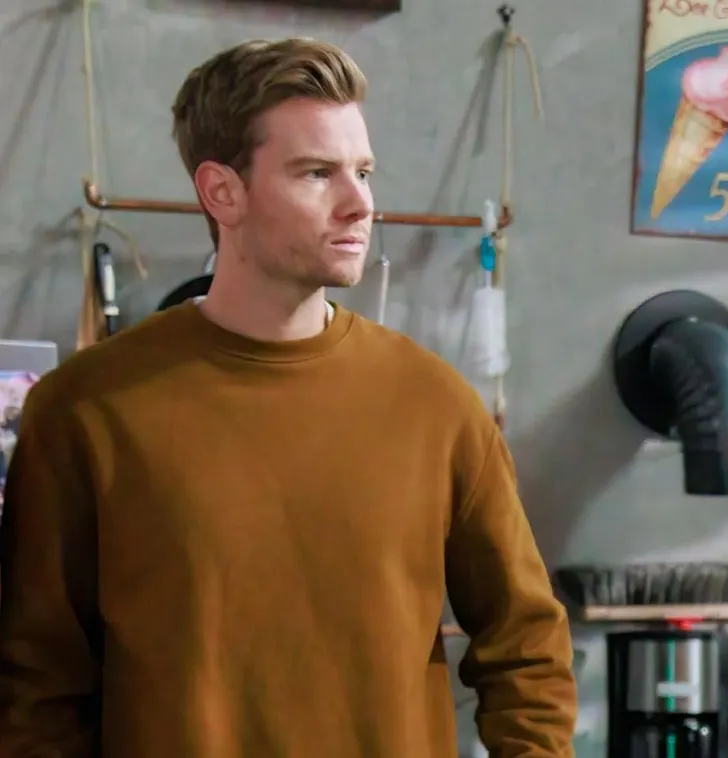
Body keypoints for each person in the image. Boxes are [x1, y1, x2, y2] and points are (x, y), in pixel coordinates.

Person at [0, 38, 577, 757]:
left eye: (363, 172)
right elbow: (37, 689)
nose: (359, 204)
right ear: (222, 192)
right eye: (317, 173)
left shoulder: (436, 407)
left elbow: (526, 647)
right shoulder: (85, 411)